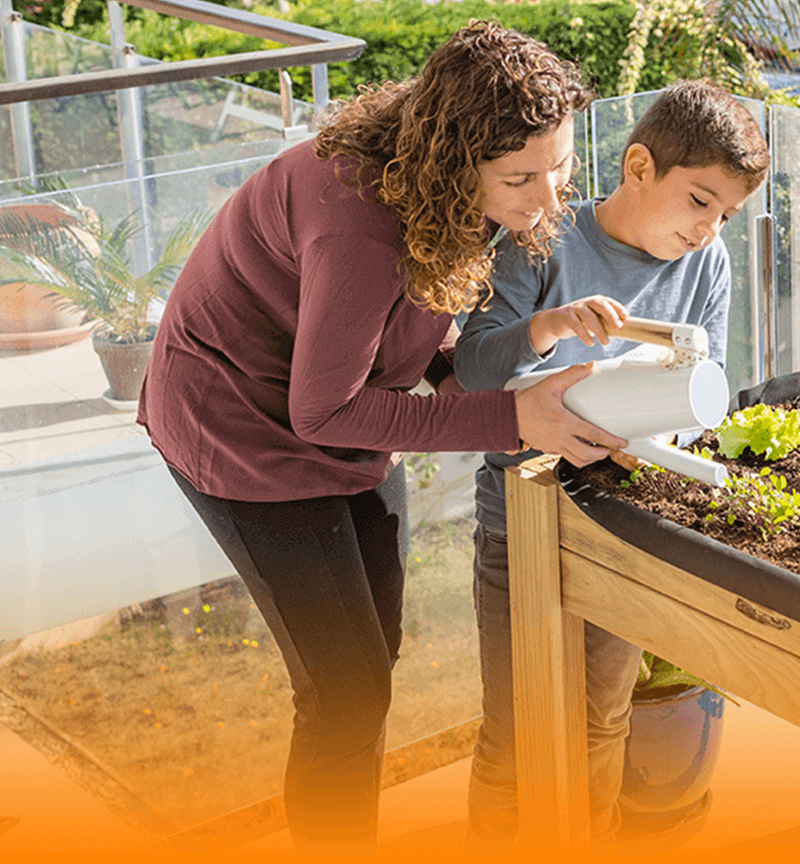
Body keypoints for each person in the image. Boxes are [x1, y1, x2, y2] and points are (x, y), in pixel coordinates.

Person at [137, 22, 626, 853]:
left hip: (335, 407)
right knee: (345, 690)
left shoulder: (441, 177)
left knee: (372, 660)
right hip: (241, 426)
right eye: (521, 179)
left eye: (564, 167)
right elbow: (321, 415)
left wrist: (529, 342)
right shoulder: (358, 224)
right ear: (456, 158)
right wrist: (513, 416)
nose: (550, 201)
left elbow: (417, 343)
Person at [450, 79, 770, 850]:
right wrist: (552, 325)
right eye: (699, 201)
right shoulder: (543, 240)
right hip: (522, 525)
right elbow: (472, 369)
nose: (708, 229)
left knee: (602, 719)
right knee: (518, 731)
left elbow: (707, 385)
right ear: (637, 166)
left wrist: (664, 438)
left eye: (725, 213)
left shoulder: (710, 262)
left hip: (625, 531)